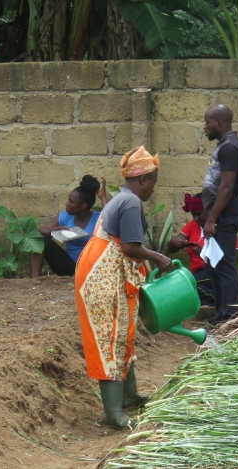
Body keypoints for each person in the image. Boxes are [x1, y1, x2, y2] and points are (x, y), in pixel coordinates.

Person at [75, 146, 171, 430]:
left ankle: (128, 395)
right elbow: (130, 247)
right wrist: (158, 257)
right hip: (102, 278)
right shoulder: (130, 203)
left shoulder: (123, 198)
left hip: (105, 274)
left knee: (121, 333)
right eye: (153, 181)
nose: (154, 188)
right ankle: (113, 412)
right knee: (110, 339)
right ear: (142, 179)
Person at [201, 104, 238, 325]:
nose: (205, 127)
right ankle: (222, 314)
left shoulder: (229, 147)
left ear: (219, 123)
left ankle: (230, 317)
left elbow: (227, 187)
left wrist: (212, 219)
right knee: (215, 264)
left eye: (207, 122)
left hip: (226, 215)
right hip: (221, 215)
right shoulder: (226, 146)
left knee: (225, 264)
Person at [166, 192, 236, 317]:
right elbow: (171, 249)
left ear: (209, 211)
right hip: (198, 273)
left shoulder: (225, 229)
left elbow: (234, 260)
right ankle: (213, 302)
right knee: (190, 285)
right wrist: (174, 242)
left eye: (199, 214)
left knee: (186, 287)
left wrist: (204, 253)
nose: (196, 219)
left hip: (218, 273)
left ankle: (211, 302)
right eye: (193, 215)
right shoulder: (193, 226)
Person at [30, 175, 108, 278]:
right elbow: (41, 231)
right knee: (40, 240)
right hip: (70, 267)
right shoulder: (65, 217)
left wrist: (103, 197)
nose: (67, 204)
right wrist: (55, 230)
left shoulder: (97, 219)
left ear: (83, 206)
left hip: (92, 267)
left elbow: (110, 219)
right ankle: (34, 281)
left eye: (71, 202)